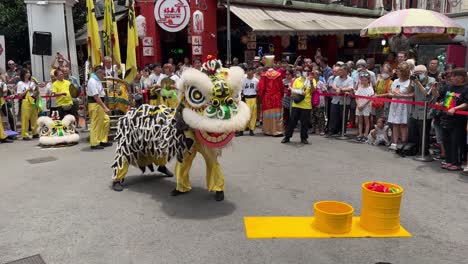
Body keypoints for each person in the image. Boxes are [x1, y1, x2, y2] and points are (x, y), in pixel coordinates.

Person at [437, 68, 468, 171]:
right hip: (445, 117)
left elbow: (466, 104)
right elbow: (440, 97)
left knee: (456, 141)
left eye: (454, 76)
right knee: (446, 140)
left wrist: (455, 108)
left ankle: (457, 163)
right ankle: (449, 160)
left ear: (462, 77)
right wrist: (434, 92)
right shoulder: (448, 86)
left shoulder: (466, 88)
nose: (452, 78)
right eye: (451, 76)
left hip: (459, 120)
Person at [407, 65, 436, 155]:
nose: (417, 75)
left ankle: (424, 151)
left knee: (424, 133)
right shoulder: (415, 80)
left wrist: (417, 82)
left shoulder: (432, 81)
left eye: (419, 73)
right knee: (413, 131)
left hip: (426, 111)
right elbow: (408, 91)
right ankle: (414, 149)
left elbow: (426, 94)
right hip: (416, 111)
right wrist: (411, 81)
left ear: (425, 73)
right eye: (415, 73)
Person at [282, 66, 315, 144]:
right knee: (292, 122)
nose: (306, 72)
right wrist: (299, 92)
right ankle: (287, 137)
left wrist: (310, 82)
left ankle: (304, 138)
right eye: (305, 70)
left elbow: (313, 91)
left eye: (308, 71)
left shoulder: (312, 80)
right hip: (296, 104)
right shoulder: (297, 80)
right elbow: (292, 91)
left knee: (304, 123)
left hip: (306, 105)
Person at [387, 62, 414, 150]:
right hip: (395, 104)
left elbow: (413, 94)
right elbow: (391, 92)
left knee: (403, 124)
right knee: (395, 123)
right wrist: (393, 94)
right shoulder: (395, 81)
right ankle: (394, 143)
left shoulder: (410, 82)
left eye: (399, 71)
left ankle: (403, 143)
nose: (397, 72)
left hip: (404, 105)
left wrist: (402, 96)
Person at [86, 66, 111, 150]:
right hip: (95, 104)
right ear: (99, 72)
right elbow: (96, 97)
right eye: (103, 74)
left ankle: (102, 140)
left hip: (99, 104)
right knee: (96, 124)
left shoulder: (97, 80)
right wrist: (105, 107)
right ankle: (94, 143)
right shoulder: (92, 81)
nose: (103, 76)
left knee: (105, 120)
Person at [258, 56, 284, 136]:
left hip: (267, 98)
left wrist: (262, 97)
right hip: (277, 97)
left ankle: (268, 130)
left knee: (268, 114)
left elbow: (261, 88)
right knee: (277, 114)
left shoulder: (264, 75)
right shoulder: (278, 75)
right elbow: (281, 87)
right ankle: (278, 130)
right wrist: (281, 95)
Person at [329, 64, 354, 136]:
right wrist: (337, 89)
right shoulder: (336, 78)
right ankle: (333, 130)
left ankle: (342, 131)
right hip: (335, 100)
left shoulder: (350, 79)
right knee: (334, 115)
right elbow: (333, 86)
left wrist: (341, 89)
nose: (339, 72)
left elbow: (350, 88)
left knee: (343, 116)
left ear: (346, 71)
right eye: (339, 70)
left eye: (341, 70)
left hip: (345, 101)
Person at [16, 69, 39, 140]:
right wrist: (27, 90)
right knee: (25, 118)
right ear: (23, 74)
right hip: (25, 101)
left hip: (33, 100)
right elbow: (19, 95)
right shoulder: (20, 83)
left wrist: (35, 89)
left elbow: (36, 93)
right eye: (27, 73)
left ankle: (35, 132)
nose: (29, 74)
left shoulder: (32, 83)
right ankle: (25, 134)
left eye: (29, 72)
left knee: (34, 117)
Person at [237, 67, 258, 136]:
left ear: (253, 72)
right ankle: (241, 130)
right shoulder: (243, 80)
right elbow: (241, 90)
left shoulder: (256, 81)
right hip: (245, 98)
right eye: (247, 71)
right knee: (244, 115)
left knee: (253, 115)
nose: (249, 72)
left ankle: (251, 129)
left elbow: (258, 90)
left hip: (253, 98)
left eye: (250, 70)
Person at [354, 70, 375, 142]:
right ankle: (360, 134)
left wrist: (362, 105)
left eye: (365, 80)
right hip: (359, 106)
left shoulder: (370, 89)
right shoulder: (360, 88)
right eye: (362, 80)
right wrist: (358, 104)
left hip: (366, 106)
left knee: (366, 121)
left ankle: (366, 135)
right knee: (360, 121)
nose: (363, 81)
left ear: (368, 80)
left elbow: (369, 98)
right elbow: (356, 97)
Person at [310, 69, 326, 135]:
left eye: (315, 74)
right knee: (313, 116)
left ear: (318, 75)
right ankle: (313, 129)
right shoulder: (310, 82)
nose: (313, 75)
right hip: (312, 101)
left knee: (320, 116)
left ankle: (321, 129)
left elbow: (325, 91)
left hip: (319, 102)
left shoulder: (321, 83)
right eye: (312, 74)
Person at [0, 78, 13, 143]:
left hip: (2, 101)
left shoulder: (2, 83)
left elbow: (4, 92)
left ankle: (4, 136)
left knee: (9, 117)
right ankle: (3, 137)